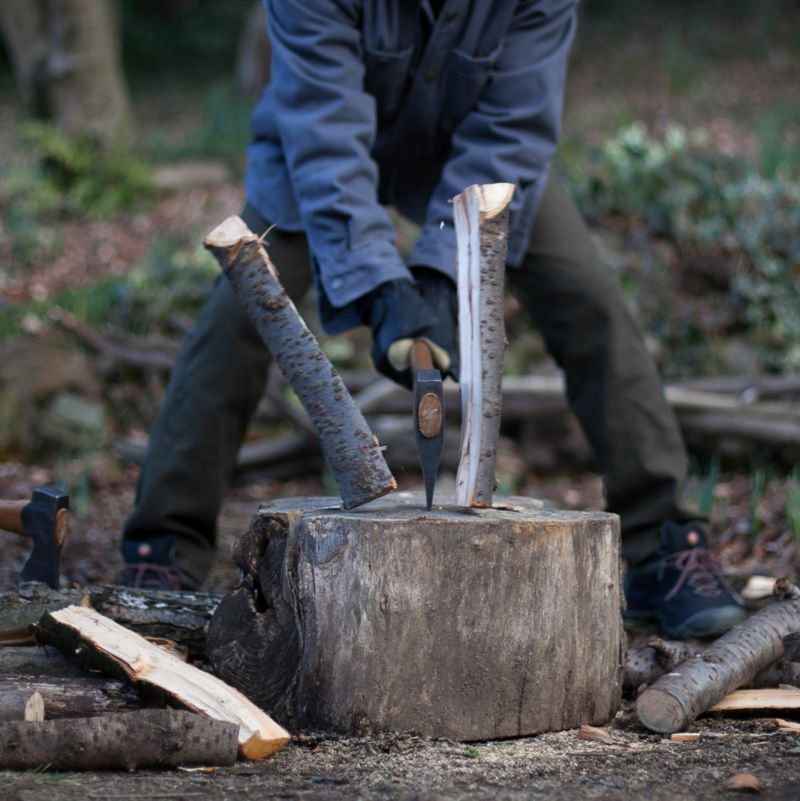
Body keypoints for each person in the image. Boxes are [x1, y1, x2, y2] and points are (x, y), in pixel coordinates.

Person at [121, 0, 746, 638]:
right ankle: (162, 554)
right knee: (238, 316)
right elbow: (325, 132)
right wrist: (381, 289)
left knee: (587, 299)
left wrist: (442, 274)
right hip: (319, 152)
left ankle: (665, 546)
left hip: (475, 156)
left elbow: (512, 127)